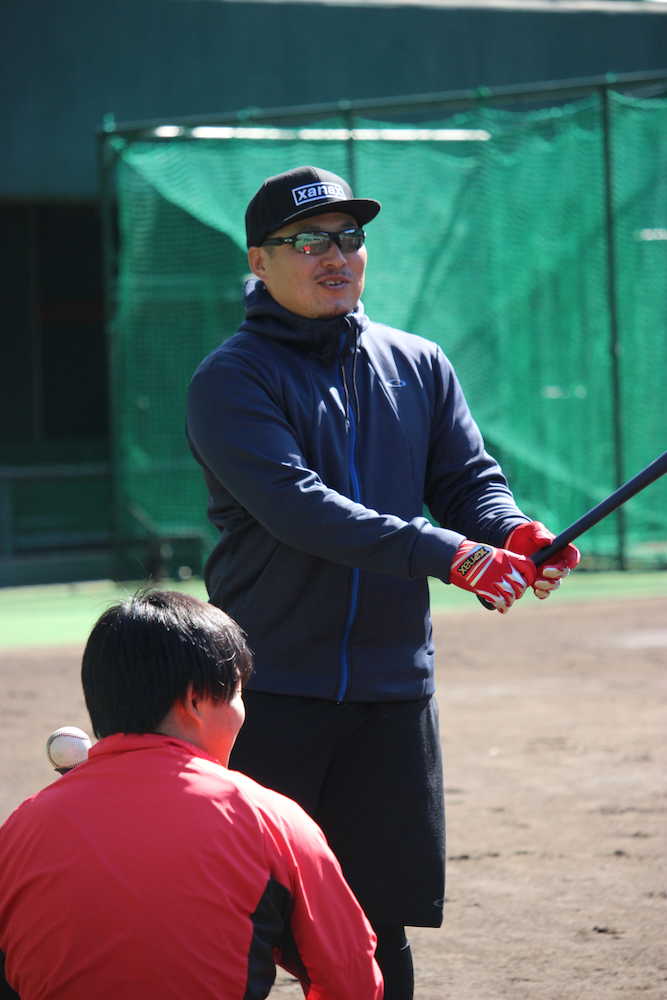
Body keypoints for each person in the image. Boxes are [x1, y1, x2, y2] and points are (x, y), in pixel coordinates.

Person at [185, 165, 580, 998]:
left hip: (392, 689)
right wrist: (452, 555)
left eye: (349, 237)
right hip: (270, 690)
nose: (336, 256)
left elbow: (468, 477)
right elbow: (302, 510)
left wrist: (509, 529)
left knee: (375, 922)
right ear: (259, 260)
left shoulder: (418, 362)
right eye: (307, 240)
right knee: (246, 919)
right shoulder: (231, 378)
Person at [0, 590, 383, 1000]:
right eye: (237, 693)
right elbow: (352, 981)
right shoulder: (268, 817)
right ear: (195, 701)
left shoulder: (21, 826)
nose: (241, 709)